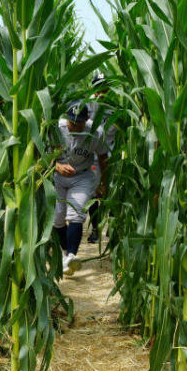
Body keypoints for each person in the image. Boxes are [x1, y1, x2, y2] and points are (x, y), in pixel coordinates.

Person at [53, 101, 108, 275]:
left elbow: (103, 158)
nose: (75, 127)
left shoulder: (96, 132)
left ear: (88, 119)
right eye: (72, 122)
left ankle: (71, 255)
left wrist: (103, 182)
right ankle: (65, 254)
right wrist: (56, 166)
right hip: (58, 176)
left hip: (82, 176)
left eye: (79, 123)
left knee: (76, 213)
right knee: (57, 218)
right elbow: (40, 154)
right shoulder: (56, 129)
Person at [86, 73, 115, 243]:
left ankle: (111, 227)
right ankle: (95, 229)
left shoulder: (115, 104)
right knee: (93, 193)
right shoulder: (88, 103)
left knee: (110, 191)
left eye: (104, 86)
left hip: (111, 153)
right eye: (98, 87)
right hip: (93, 155)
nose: (101, 91)